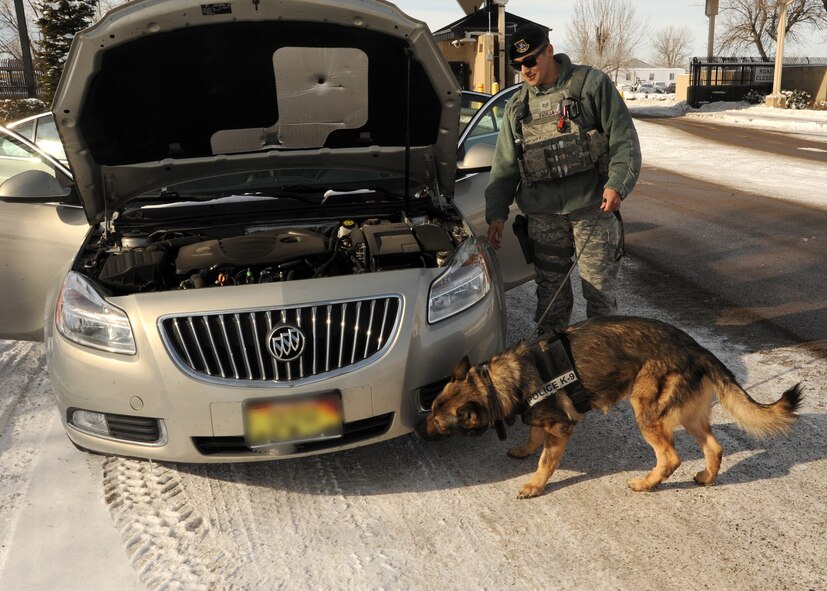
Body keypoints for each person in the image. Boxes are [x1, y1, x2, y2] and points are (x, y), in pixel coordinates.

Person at [485, 23, 641, 333]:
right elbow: (505, 166)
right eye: (518, 66)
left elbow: (623, 140)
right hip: (543, 218)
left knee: (600, 300)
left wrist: (617, 184)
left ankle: (606, 367)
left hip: (591, 211)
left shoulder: (590, 85)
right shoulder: (518, 107)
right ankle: (555, 367)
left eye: (530, 61)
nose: (525, 70)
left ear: (549, 51)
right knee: (551, 302)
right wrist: (496, 214)